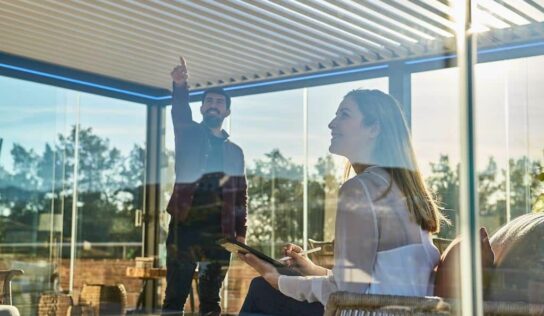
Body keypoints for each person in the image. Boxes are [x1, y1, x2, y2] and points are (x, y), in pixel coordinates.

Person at [238, 89, 443, 316]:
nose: (331, 124)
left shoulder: (359, 190)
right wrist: (311, 269)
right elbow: (363, 280)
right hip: (396, 310)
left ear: (374, 129)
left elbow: (345, 292)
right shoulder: (404, 191)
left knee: (261, 289)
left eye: (344, 115)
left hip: (368, 312)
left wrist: (276, 280)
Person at [163, 57, 248, 316]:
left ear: (226, 112)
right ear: (201, 109)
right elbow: (179, 111)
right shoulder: (188, 134)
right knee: (175, 296)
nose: (213, 106)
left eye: (219, 103)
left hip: (220, 233)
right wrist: (180, 85)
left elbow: (240, 195)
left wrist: (240, 232)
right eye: (209, 102)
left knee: (211, 300)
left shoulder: (235, 152)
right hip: (185, 227)